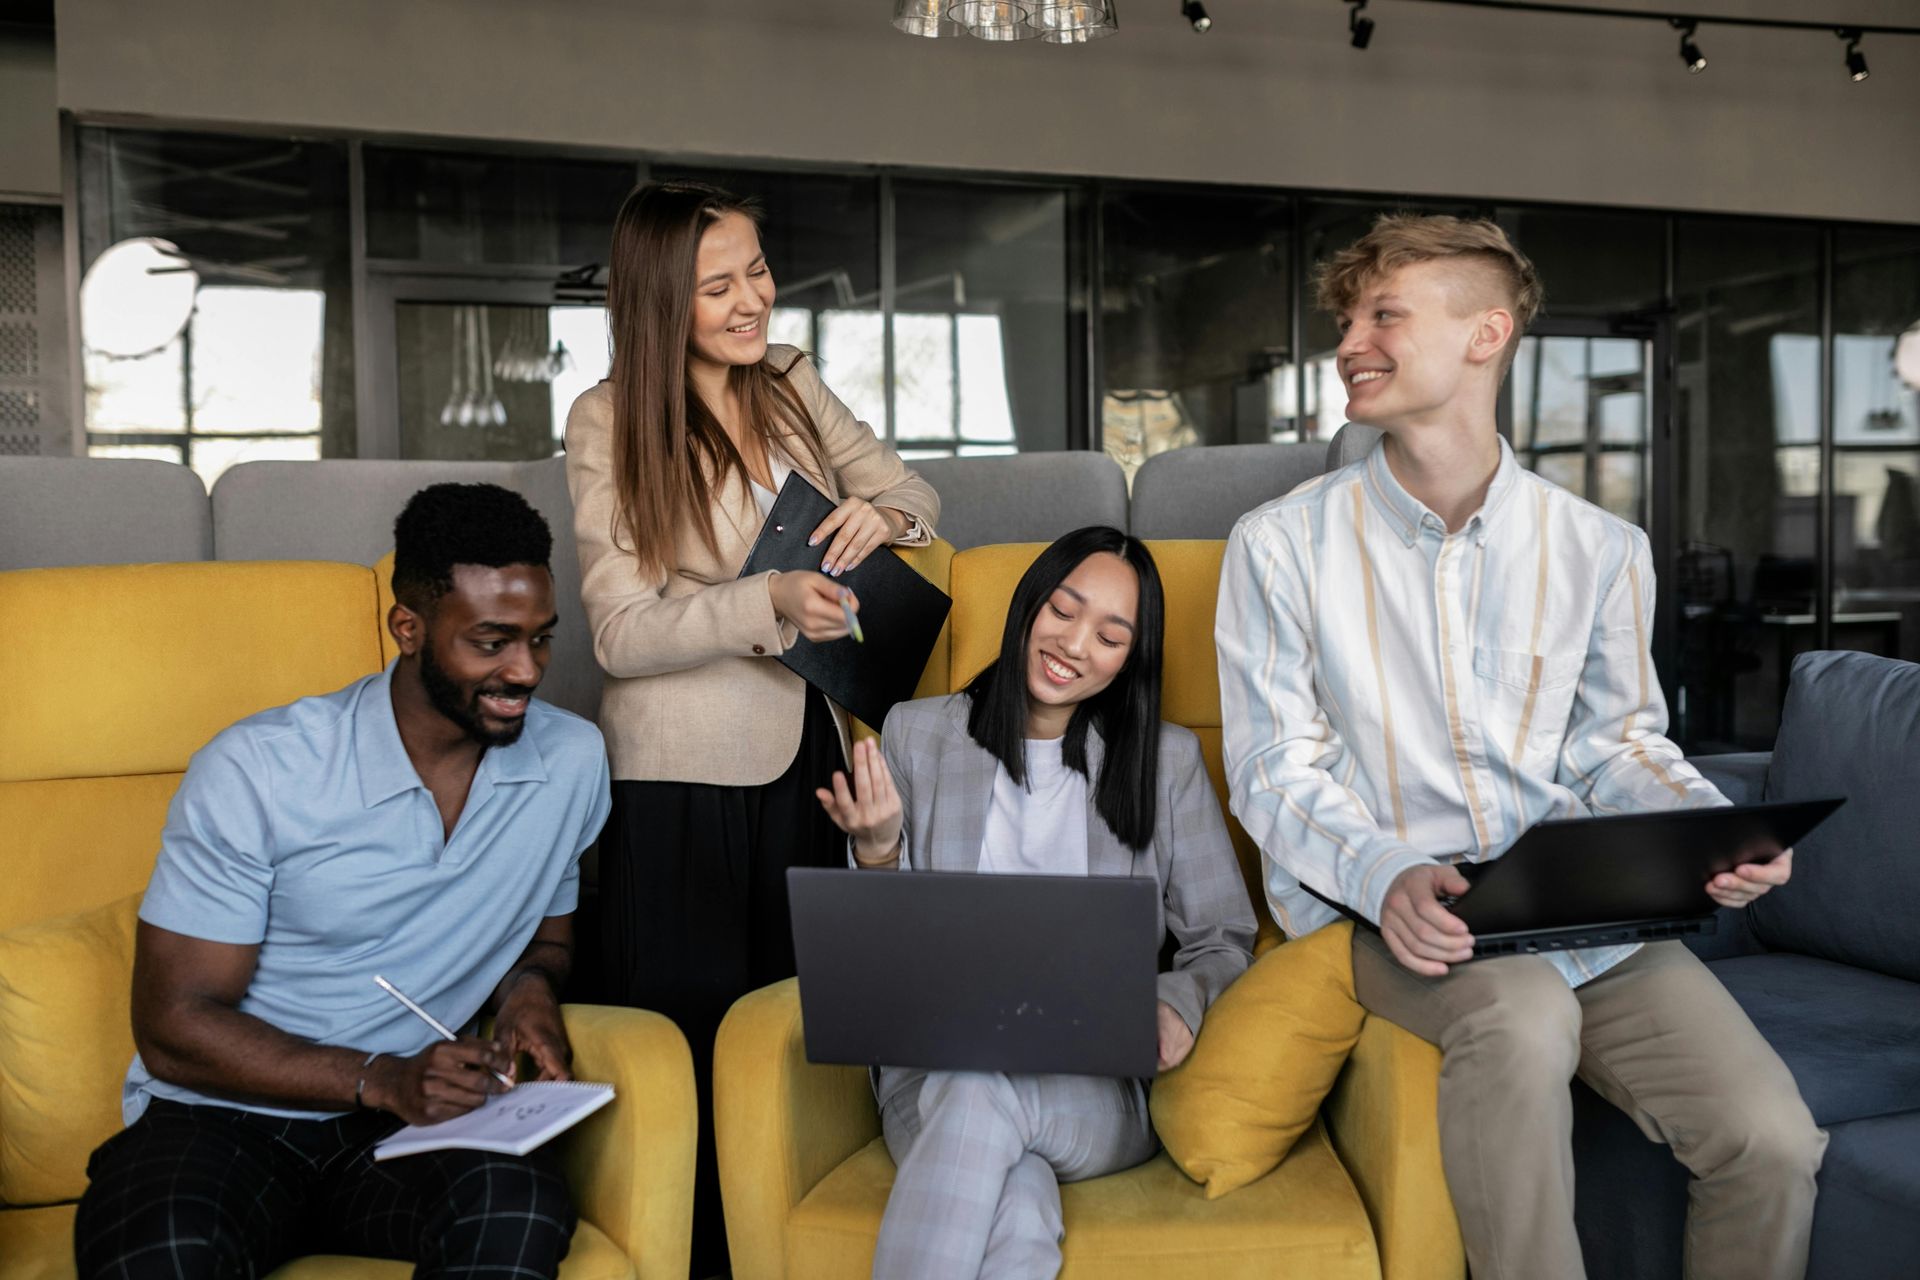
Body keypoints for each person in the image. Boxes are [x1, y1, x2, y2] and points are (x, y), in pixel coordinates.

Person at [1216, 213, 1826, 1280]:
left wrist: (1706, 830)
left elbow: (1617, 744)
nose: (1351, 339)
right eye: (1348, 316)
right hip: (1399, 911)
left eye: (1385, 313)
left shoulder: (1599, 548)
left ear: (1485, 332)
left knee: (1772, 1138)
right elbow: (1274, 766)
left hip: (1582, 908)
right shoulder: (1280, 545)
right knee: (1527, 1013)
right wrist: (1389, 870)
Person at [73, 483, 611, 1280]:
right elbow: (174, 1023)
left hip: (406, 1134)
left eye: (540, 640)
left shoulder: (571, 761)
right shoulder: (262, 768)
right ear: (408, 628)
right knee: (162, 1248)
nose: (525, 671)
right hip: (221, 1121)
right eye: (492, 643)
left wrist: (528, 992)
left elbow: (547, 935)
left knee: (519, 1208)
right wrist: (382, 1077)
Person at [564, 179, 940, 1272]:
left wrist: (886, 515)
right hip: (679, 775)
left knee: (799, 1042)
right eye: (717, 285)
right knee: (688, 1042)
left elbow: (914, 491)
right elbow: (623, 633)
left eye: (759, 271)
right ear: (655, 302)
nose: (752, 300)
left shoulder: (787, 380)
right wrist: (764, 602)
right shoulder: (607, 417)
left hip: (812, 747)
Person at [819, 526, 1256, 1280]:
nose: (1076, 644)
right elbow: (873, 961)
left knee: (983, 1097)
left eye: (1111, 635)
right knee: (1016, 1204)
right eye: (1064, 609)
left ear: (1130, 659)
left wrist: (1177, 1004)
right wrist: (877, 849)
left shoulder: (1167, 762)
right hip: (930, 1076)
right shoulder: (917, 736)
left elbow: (1224, 938)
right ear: (1028, 606)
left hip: (1094, 1091)